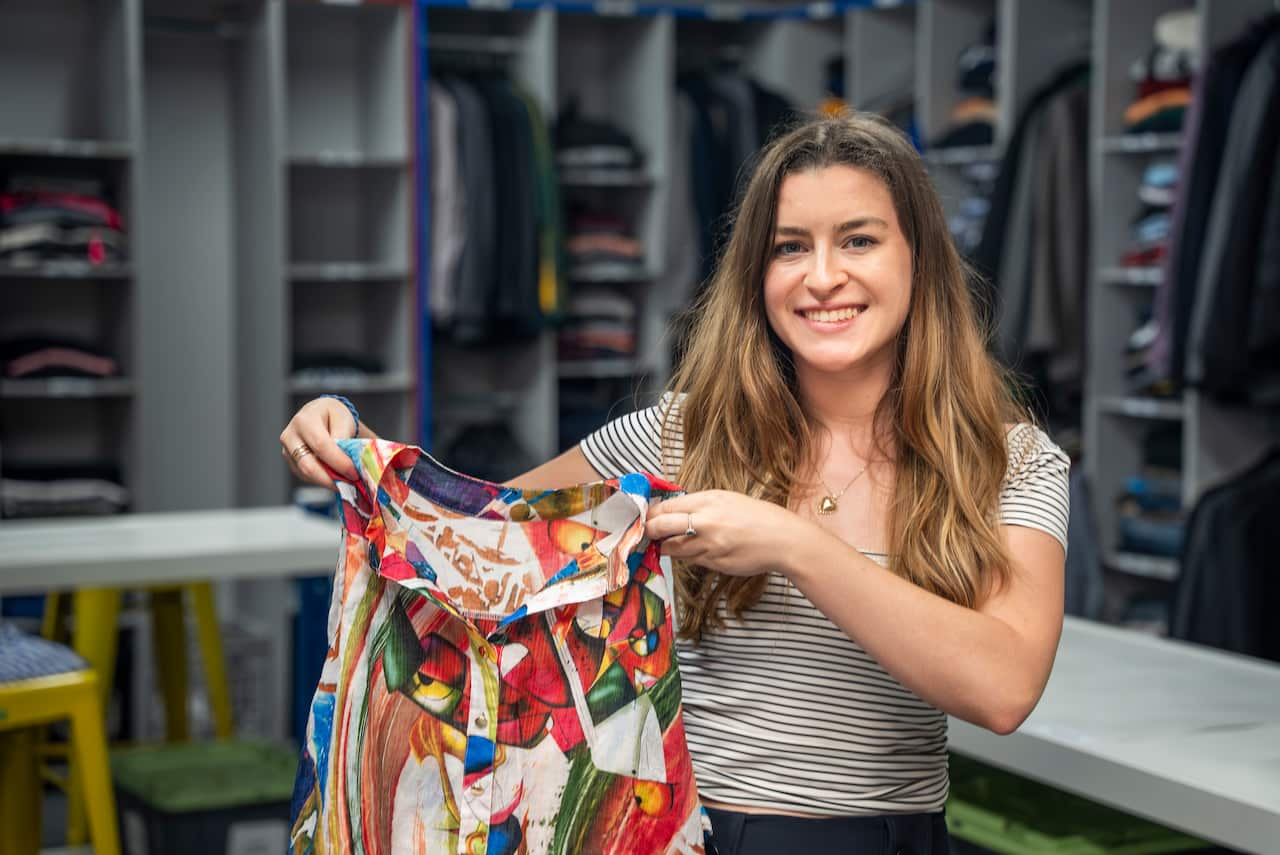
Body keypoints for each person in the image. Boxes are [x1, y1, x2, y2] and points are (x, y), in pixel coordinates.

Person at [279, 111, 1069, 855]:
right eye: (790, 247)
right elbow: (476, 541)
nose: (822, 276)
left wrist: (796, 544)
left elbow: (1002, 687)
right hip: (667, 832)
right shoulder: (679, 434)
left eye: (857, 240)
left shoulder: (1011, 461)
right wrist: (351, 444)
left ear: (918, 259)